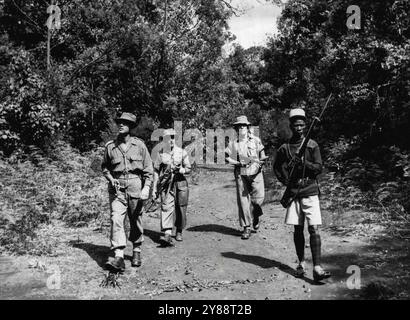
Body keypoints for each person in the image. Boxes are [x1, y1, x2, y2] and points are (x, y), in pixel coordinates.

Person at [273, 108, 331, 282]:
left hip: (310, 190)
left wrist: (304, 163)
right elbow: (277, 167)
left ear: (305, 126)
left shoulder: (312, 145)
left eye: (302, 125)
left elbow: (319, 167)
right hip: (294, 192)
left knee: (314, 228)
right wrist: (286, 181)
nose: (299, 128)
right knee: (298, 229)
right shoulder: (285, 148)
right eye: (296, 125)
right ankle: (301, 263)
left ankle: (317, 267)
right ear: (291, 126)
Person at [101, 112, 153, 272]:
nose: (121, 125)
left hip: (135, 185)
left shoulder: (140, 145)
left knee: (135, 218)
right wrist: (110, 178)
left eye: (125, 123)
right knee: (116, 219)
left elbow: (149, 170)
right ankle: (119, 256)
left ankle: (136, 250)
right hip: (117, 189)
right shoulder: (110, 147)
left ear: (131, 127)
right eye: (120, 122)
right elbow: (104, 167)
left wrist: (146, 188)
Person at [225, 115, 267, 240]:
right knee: (243, 200)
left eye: (244, 126)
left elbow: (262, 155)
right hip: (241, 170)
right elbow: (227, 157)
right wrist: (237, 163)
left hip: (256, 171)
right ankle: (246, 227)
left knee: (258, 199)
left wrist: (262, 162)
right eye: (239, 126)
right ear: (236, 129)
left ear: (248, 127)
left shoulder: (255, 140)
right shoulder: (233, 143)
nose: (242, 128)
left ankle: (256, 215)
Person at [152, 128, 191, 247]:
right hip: (166, 185)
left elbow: (189, 168)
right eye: (168, 138)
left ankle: (179, 230)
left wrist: (181, 170)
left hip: (180, 183)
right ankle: (167, 233)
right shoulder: (160, 154)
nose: (171, 141)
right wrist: (154, 188)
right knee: (166, 206)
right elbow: (156, 171)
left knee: (181, 207)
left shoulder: (182, 152)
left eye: (173, 138)